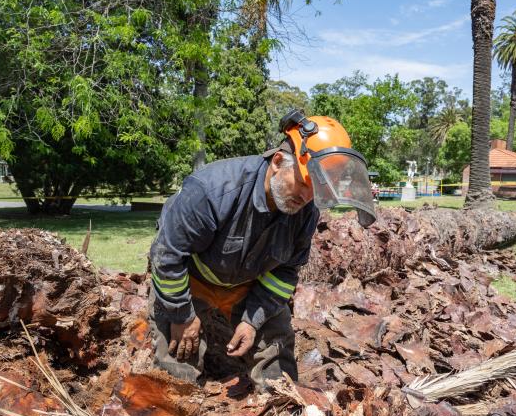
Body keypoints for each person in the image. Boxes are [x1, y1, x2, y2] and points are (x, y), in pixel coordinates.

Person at [148, 111, 376, 389]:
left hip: (246, 285)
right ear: (278, 162)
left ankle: (276, 411)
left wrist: (252, 322)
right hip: (191, 279)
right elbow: (167, 257)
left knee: (277, 352)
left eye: (315, 191)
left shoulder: (305, 212)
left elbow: (285, 272)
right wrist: (181, 315)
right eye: (304, 184)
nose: (306, 198)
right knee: (177, 360)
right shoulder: (212, 191)